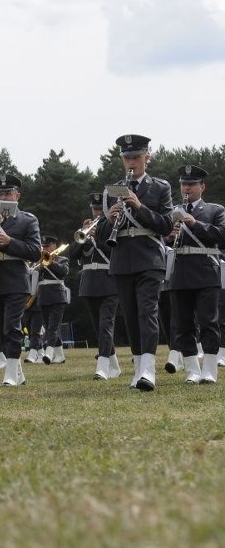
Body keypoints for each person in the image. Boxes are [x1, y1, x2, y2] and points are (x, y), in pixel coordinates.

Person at [97, 134, 173, 391]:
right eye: (127, 158)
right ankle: (138, 368)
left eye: (136, 157)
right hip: (122, 260)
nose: (131, 162)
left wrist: (138, 206)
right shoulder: (112, 190)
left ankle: (149, 371)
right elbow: (101, 236)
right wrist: (109, 218)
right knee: (130, 316)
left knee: (147, 312)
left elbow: (165, 225)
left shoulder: (160, 187)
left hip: (149, 258)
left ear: (146, 158)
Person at [166, 165, 225, 384]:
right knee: (183, 325)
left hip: (205, 272)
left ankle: (209, 369)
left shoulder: (215, 210)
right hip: (179, 271)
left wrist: (194, 223)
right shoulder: (172, 211)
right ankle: (192, 370)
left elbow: (222, 235)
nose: (186, 188)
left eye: (191, 184)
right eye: (183, 184)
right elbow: (161, 237)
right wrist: (168, 236)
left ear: (202, 186)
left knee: (209, 321)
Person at [0, 174, 42, 386]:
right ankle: (18, 373)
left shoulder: (28, 220)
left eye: (7, 193)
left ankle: (10, 373)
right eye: (0, 193)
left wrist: (10, 242)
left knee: (11, 327)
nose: (3, 197)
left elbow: (35, 252)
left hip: (17, 279)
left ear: (17, 195)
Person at [66, 193, 121, 380]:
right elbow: (72, 255)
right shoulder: (86, 230)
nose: (97, 212)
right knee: (99, 328)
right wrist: (84, 234)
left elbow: (115, 253)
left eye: (100, 209)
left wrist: (97, 237)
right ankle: (114, 366)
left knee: (106, 325)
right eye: (94, 209)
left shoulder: (113, 228)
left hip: (109, 280)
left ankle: (102, 366)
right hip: (89, 282)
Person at [34, 236, 70, 365]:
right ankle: (60, 356)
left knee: (53, 327)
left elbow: (64, 272)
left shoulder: (62, 259)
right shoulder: (40, 261)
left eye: (47, 246)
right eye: (43, 246)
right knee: (49, 326)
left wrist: (50, 262)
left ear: (54, 246)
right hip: (43, 296)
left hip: (57, 296)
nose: (45, 248)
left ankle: (48, 353)